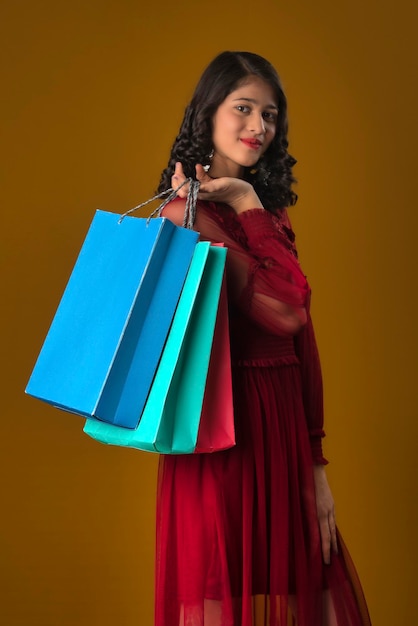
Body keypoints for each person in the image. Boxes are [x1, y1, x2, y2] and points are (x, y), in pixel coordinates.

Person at [155, 51, 371, 626]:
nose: (259, 127)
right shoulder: (186, 215)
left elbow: (305, 342)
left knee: (312, 595)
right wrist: (245, 203)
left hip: (283, 428)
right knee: (221, 601)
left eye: (270, 115)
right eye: (243, 108)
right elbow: (284, 311)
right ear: (208, 114)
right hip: (223, 432)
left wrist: (316, 465)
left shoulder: (267, 213)